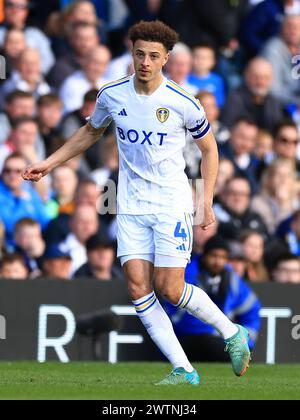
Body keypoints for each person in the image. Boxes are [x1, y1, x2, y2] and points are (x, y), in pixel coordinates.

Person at [23, 20, 251, 385]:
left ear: (166, 59)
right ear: (132, 53)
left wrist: (205, 201)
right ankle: (184, 369)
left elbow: (209, 149)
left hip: (171, 203)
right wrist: (48, 163)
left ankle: (231, 333)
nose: (145, 61)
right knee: (136, 288)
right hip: (129, 204)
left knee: (171, 288)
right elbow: (90, 132)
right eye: (139, 53)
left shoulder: (182, 102)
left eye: (153, 56)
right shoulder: (112, 94)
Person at [164, 235, 261, 360]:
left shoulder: (231, 280)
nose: (218, 261)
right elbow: (176, 315)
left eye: (223, 257)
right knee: (207, 341)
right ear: (204, 256)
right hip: (183, 338)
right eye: (214, 256)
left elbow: (251, 308)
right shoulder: (186, 275)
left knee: (218, 345)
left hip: (217, 340)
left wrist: (247, 342)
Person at [221, 57, 284, 132]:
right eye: (256, 77)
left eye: (265, 78)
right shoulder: (234, 99)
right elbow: (229, 129)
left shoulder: (274, 103)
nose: (260, 82)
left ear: (271, 79)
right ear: (246, 76)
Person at [0, 153, 50, 246]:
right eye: (7, 170)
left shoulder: (30, 192)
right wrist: (23, 202)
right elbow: (10, 227)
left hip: (33, 245)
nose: (12, 175)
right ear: (2, 172)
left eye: (18, 171)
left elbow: (45, 222)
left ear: (26, 173)